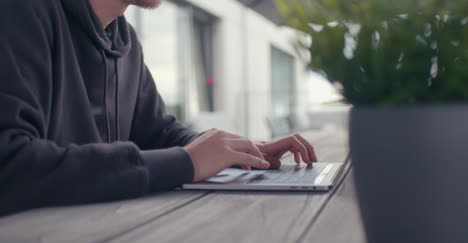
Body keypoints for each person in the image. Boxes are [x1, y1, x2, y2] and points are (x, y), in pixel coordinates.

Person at [0, 0, 317, 216]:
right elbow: (11, 165)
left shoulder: (125, 39)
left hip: (103, 231)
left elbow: (159, 131)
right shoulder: (20, 12)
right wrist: (185, 162)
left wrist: (237, 150)